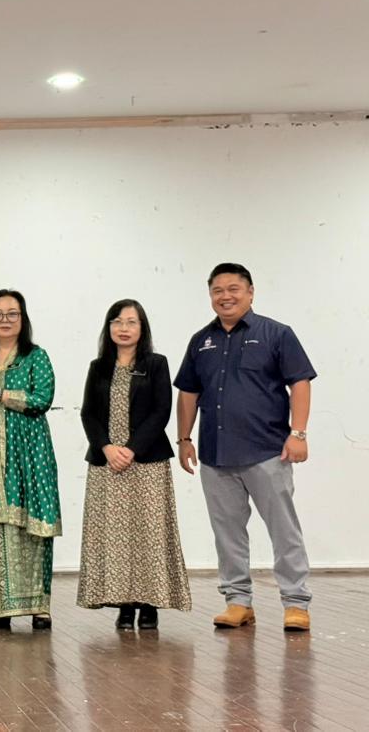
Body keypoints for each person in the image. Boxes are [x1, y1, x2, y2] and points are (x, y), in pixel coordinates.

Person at [174, 263, 315, 632]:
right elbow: (188, 392)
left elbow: (300, 382)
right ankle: (237, 601)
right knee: (227, 534)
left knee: (284, 530)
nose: (226, 296)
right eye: (217, 290)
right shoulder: (201, 341)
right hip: (216, 455)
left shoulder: (276, 334)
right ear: (210, 295)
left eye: (234, 289)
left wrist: (298, 434)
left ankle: (296, 602)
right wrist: (184, 438)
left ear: (250, 292)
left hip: (268, 451)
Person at [77, 299, 191, 630]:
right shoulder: (98, 367)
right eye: (117, 321)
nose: (123, 328)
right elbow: (88, 413)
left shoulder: (156, 364)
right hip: (107, 463)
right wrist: (107, 448)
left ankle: (149, 604)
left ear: (142, 328)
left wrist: (130, 449)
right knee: (115, 538)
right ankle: (124, 605)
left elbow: (161, 410)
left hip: (146, 462)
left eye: (131, 322)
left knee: (148, 535)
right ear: (108, 328)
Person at [0, 289, 61, 630]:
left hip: (30, 454)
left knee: (33, 528)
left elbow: (41, 399)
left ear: (23, 319)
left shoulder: (36, 357)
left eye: (12, 313)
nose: (4, 320)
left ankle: (40, 608)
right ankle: (0, 607)